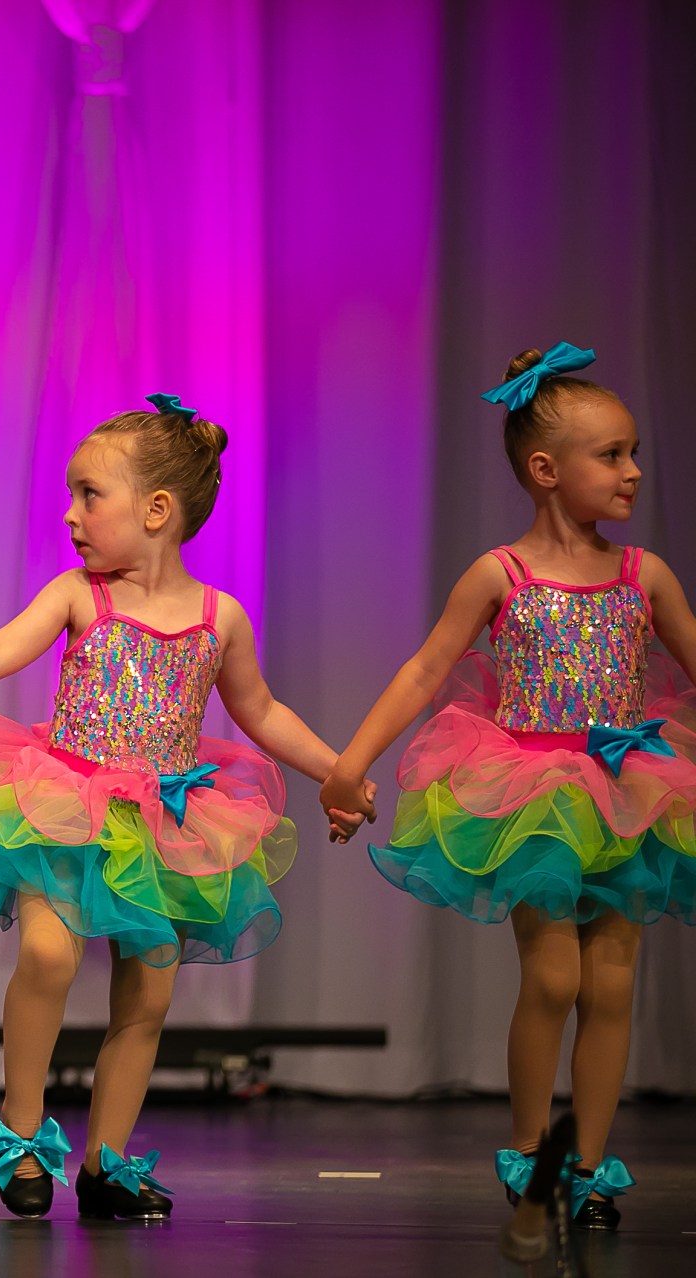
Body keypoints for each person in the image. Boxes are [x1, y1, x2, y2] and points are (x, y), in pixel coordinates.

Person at [0, 394, 367, 1220]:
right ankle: (22, 1130)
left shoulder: (219, 618)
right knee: (48, 956)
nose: (71, 515)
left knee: (149, 997)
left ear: (156, 510)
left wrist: (337, 772)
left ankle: (105, 1161)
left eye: (89, 495)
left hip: (164, 823)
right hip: (64, 807)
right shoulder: (80, 596)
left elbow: (261, 711)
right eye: (70, 496)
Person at [321, 345, 696, 1231]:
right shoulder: (501, 573)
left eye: (634, 452)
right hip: (534, 793)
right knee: (554, 977)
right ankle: (533, 1154)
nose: (633, 471)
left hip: (630, 789)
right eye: (612, 455)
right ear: (545, 469)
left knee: (612, 986)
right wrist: (350, 763)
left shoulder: (643, 575)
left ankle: (590, 1165)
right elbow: (424, 672)